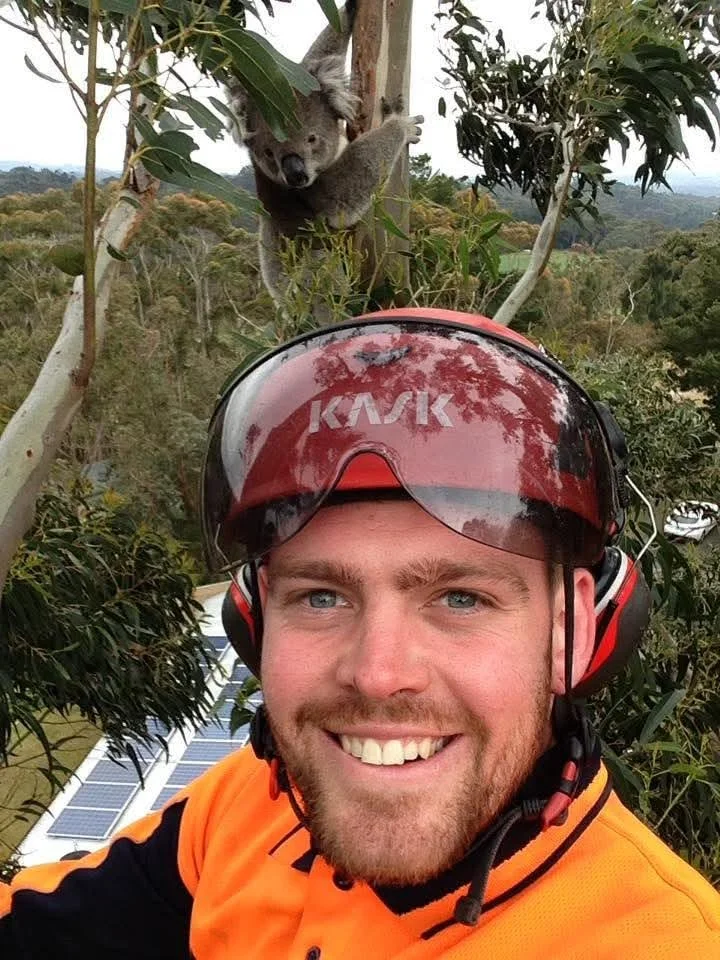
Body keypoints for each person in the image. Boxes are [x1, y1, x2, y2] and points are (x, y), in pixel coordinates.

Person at [1, 308, 719, 958]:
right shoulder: (252, 805)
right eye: (320, 597)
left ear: (570, 633)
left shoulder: (659, 939)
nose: (378, 674)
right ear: (254, 620)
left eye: (461, 599)